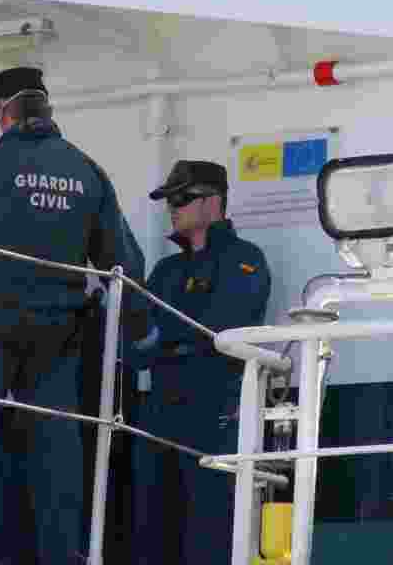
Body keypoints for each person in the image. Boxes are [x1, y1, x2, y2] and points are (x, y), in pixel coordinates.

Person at [0, 66, 146, 564]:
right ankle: (64, 556)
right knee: (57, 456)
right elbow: (124, 263)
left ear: (0, 112)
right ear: (46, 107)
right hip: (57, 332)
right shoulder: (86, 169)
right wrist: (139, 330)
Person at [128, 159, 271, 565]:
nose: (173, 206)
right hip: (160, 409)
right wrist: (172, 339)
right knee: (152, 526)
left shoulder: (246, 259)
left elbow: (223, 327)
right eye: (169, 200)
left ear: (213, 202)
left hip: (214, 408)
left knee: (209, 527)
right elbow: (136, 347)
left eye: (183, 197)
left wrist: (165, 339)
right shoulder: (165, 271)